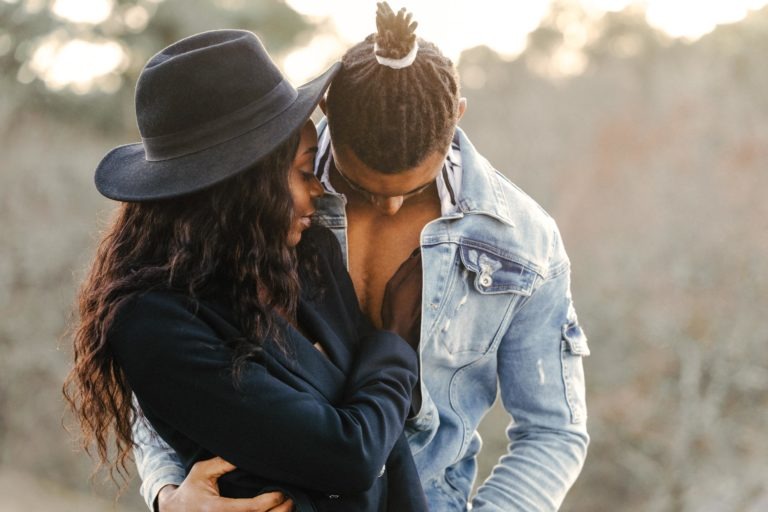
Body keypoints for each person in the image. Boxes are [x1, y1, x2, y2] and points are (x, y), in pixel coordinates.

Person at [136, 3, 591, 511]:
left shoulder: (523, 245)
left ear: (458, 113)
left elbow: (553, 432)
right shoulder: (261, 206)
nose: (389, 206)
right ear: (326, 109)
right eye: (361, 186)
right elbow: (174, 372)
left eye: (411, 187)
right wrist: (170, 496)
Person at [63, 29, 429, 512]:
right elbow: (351, 455)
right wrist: (394, 341)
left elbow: (391, 448)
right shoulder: (154, 323)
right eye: (302, 171)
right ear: (244, 187)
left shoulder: (307, 258)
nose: (320, 189)